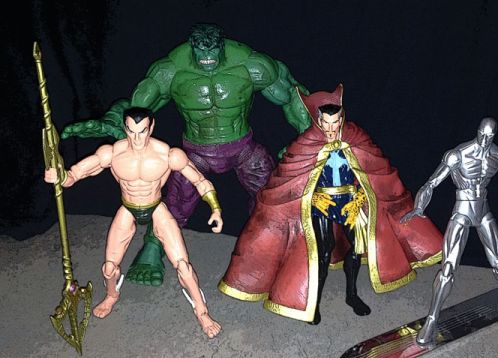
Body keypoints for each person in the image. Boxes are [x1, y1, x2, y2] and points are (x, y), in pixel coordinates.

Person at [61, 23, 311, 286]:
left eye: (212, 50)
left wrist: (306, 136)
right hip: (196, 150)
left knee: (273, 194)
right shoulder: (171, 70)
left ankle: (272, 247)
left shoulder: (251, 64)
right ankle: (153, 247)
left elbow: (293, 95)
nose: (207, 56)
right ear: (192, 46)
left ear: (222, 45)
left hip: (242, 147)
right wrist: (110, 121)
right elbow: (136, 107)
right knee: (176, 200)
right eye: (200, 50)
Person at [219, 84, 443, 324]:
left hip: (349, 202)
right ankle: (312, 303)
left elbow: (372, 171)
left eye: (335, 122)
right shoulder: (306, 144)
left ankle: (352, 295)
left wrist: (359, 196)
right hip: (321, 204)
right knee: (322, 252)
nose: (330, 128)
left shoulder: (356, 138)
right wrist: (314, 198)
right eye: (325, 123)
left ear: (341, 119)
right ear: (318, 121)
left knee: (356, 248)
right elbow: (293, 180)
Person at [45, 107, 223, 338]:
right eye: (131, 131)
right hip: (128, 209)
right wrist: (59, 176)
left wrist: (215, 208)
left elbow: (200, 181)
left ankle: (202, 312)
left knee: (183, 267)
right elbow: (75, 175)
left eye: (142, 131)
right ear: (125, 128)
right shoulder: (113, 153)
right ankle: (111, 295)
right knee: (109, 268)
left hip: (156, 207)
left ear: (151, 128)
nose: (137, 138)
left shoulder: (168, 155)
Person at [401, 117, 498, 345]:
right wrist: (419, 208)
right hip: (461, 212)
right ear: (477, 131)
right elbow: (431, 183)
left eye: (490, 136)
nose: (485, 139)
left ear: (494, 135)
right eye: (482, 133)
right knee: (447, 268)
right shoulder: (458, 154)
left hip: (484, 211)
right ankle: (432, 319)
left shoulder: (497, 155)